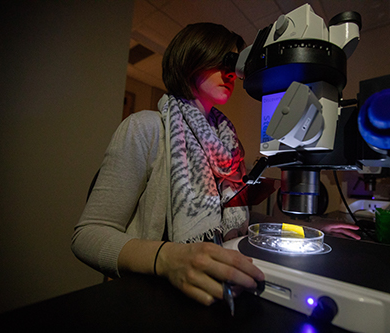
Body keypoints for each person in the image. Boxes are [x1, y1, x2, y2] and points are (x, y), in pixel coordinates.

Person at [71, 22, 359, 307]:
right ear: (191, 59)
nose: (231, 72)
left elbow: (232, 227)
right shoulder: (146, 127)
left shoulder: (229, 144)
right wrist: (168, 258)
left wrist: (304, 229)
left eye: (236, 64)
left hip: (208, 294)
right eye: (224, 60)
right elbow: (88, 235)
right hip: (150, 298)